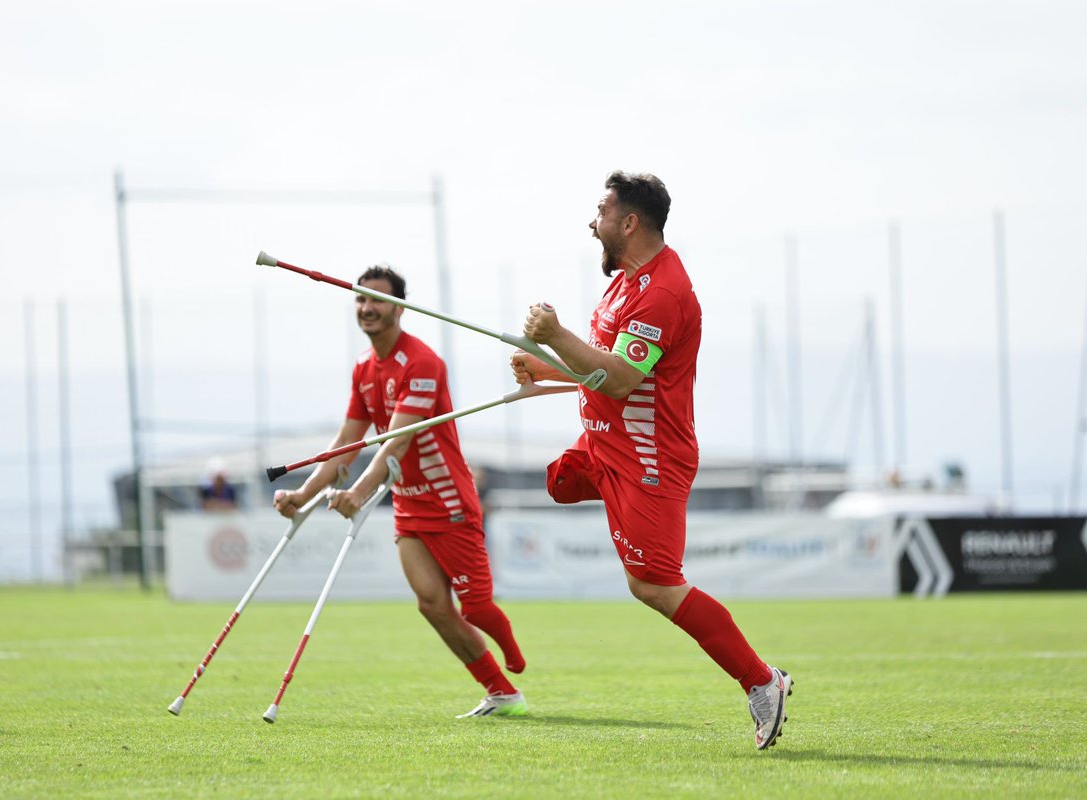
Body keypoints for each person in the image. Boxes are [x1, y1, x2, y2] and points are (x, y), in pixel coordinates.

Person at [510, 171, 793, 749]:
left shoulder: (662, 292)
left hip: (646, 456)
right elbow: (600, 367)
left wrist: (555, 333)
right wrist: (547, 370)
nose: (593, 223)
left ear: (629, 222)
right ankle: (605, 489)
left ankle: (763, 682)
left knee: (654, 585)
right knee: (560, 483)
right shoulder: (623, 285)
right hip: (604, 446)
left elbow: (620, 380)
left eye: (602, 212)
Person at [273, 263, 528, 718]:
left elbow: (397, 440)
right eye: (360, 299)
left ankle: (509, 649)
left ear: (400, 308)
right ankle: (501, 692)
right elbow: (346, 445)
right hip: (409, 505)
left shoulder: (424, 362)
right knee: (431, 604)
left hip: (448, 501)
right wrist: (302, 495)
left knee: (476, 608)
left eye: (378, 300)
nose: (367, 308)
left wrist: (358, 495)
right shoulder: (362, 369)